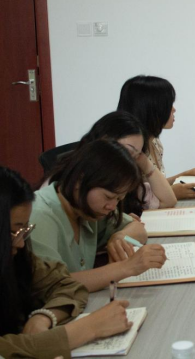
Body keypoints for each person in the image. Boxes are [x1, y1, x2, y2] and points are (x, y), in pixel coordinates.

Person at [0, 166, 134, 358]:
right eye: (14, 231)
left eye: (24, 230)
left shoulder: (16, 257)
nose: (21, 243)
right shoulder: (45, 214)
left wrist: (44, 316)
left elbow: (67, 284)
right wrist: (88, 328)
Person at [30, 140, 167, 292]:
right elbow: (53, 285)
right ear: (79, 181)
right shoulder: (40, 216)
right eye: (108, 197)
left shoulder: (86, 208)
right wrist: (127, 267)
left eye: (118, 199)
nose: (112, 206)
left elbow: (138, 229)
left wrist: (119, 237)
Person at [117, 75, 195, 200]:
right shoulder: (129, 150)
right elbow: (130, 201)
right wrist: (172, 193)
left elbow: (153, 186)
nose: (174, 110)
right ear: (152, 109)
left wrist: (184, 175)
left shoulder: (154, 142)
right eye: (168, 105)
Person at [75, 111, 177, 213]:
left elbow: (169, 201)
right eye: (128, 152)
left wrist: (145, 163)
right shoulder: (83, 179)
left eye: (137, 156)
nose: (131, 162)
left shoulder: (127, 184)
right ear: (105, 142)